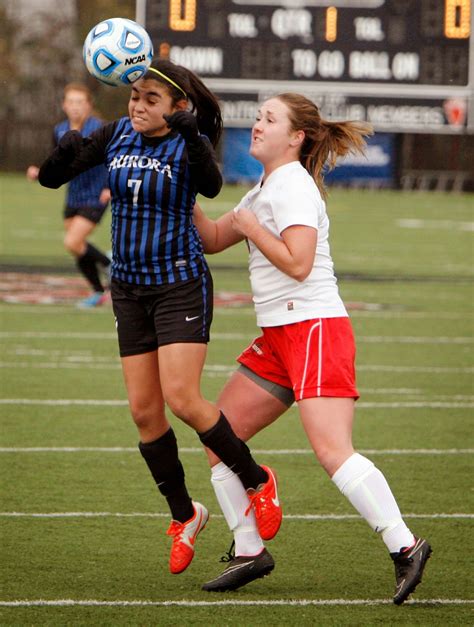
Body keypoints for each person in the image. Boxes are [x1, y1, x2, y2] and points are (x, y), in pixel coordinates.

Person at [38, 59, 282, 576]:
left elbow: (212, 187)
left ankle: (257, 480)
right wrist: (65, 151)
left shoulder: (186, 141)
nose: (138, 106)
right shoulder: (116, 133)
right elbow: (54, 177)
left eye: (152, 98)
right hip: (128, 289)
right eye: (134, 96)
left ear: (177, 106)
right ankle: (185, 515)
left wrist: (193, 132)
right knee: (145, 414)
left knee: (183, 399)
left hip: (178, 284)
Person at [193, 92, 432, 604]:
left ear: (296, 137)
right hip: (279, 336)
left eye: (269, 118)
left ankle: (405, 545)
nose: (257, 124)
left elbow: (299, 264)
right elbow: (213, 237)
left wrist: (250, 224)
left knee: (332, 451)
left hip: (315, 328)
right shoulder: (264, 188)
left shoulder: (294, 187)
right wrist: (178, 186)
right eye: (258, 116)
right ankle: (249, 549)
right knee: (218, 438)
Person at [26, 83, 112, 308]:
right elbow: (56, 160)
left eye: (80, 102)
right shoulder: (59, 130)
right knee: (78, 247)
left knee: (73, 242)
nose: (75, 107)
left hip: (97, 194)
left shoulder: (99, 128)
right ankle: (97, 291)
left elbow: (113, 158)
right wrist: (39, 172)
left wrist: (109, 186)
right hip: (73, 195)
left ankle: (111, 265)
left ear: (89, 105)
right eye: (71, 102)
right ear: (64, 105)